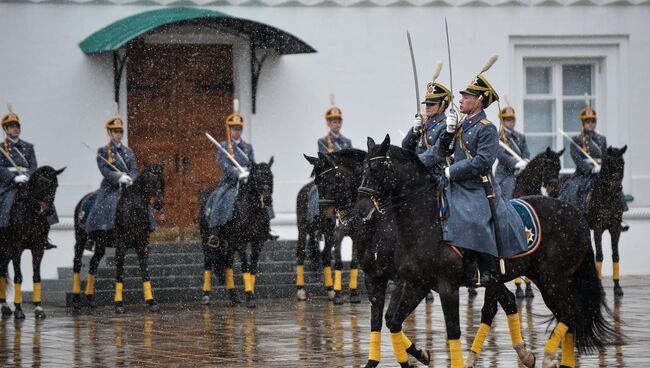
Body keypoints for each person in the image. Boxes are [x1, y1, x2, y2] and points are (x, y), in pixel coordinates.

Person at [437, 73, 527, 286]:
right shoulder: (461, 124)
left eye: (465, 97)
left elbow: (482, 162)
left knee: (474, 218)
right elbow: (444, 151)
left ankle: (487, 267)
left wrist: (452, 171)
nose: (460, 100)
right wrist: (449, 131)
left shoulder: (487, 127)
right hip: (457, 183)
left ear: (478, 101)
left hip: (478, 185)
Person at [206, 106, 276, 245]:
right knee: (219, 199)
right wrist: (238, 173)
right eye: (234, 129)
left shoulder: (247, 147)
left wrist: (249, 173)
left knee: (263, 195)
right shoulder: (223, 147)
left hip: (246, 181)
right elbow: (224, 165)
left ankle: (266, 227)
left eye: (239, 129)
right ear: (229, 130)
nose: (236, 132)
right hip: (230, 182)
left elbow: (252, 163)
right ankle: (215, 230)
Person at [558, 103, 629, 229]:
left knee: (616, 187)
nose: (591, 124)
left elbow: (605, 157)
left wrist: (603, 168)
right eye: (588, 121)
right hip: (583, 173)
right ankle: (578, 216)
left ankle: (619, 217)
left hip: (601, 171)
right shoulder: (577, 139)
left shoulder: (602, 139)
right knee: (573, 189)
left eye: (593, 121)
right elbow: (577, 158)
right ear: (583, 123)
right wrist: (590, 169)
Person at [0, 104, 58, 249]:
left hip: (27, 182)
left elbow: (33, 165)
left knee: (46, 202)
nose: (15, 129)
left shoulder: (28, 146)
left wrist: (28, 176)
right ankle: (4, 233)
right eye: (11, 126)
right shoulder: (1, 148)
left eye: (17, 126)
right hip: (9, 185)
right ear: (5, 130)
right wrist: (13, 177)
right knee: (7, 204)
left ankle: (44, 236)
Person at [84, 107, 140, 236]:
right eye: (115, 132)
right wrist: (118, 178)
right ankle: (97, 233)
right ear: (109, 133)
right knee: (103, 205)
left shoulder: (129, 152)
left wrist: (131, 178)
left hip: (128, 185)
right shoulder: (103, 151)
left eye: (120, 131)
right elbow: (104, 170)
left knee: (141, 202)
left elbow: (134, 168)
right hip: (111, 186)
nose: (118, 134)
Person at [404, 80, 451, 178]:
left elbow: (437, 152)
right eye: (427, 104)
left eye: (432, 104)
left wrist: (414, 162)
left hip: (436, 173)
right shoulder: (424, 123)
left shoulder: (445, 126)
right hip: (419, 172)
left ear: (442, 105)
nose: (427, 107)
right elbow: (406, 147)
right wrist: (414, 130)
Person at [495, 105, 530, 200]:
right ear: (502, 121)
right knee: (507, 194)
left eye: (512, 119)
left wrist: (525, 161)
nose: (511, 122)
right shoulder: (498, 137)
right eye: (508, 119)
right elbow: (500, 155)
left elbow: (526, 151)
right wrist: (515, 164)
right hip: (505, 173)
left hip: (521, 171)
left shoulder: (520, 136)